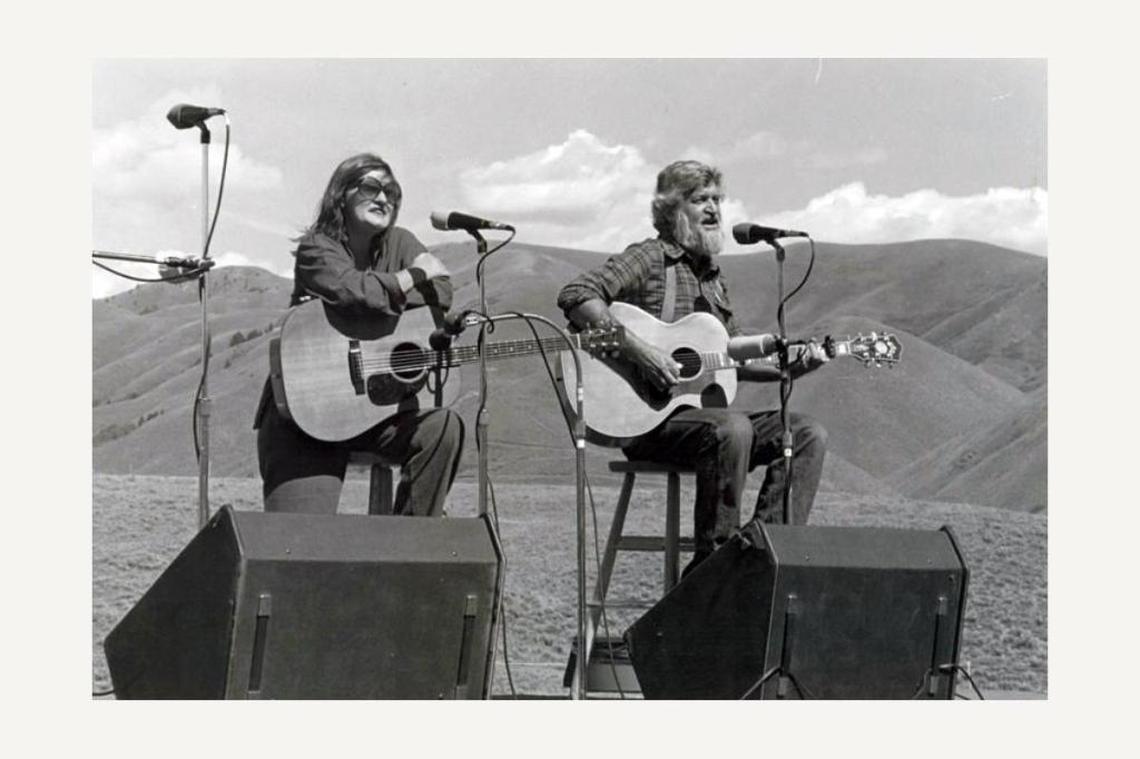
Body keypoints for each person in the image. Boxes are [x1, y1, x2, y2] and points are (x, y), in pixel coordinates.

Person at [557, 160, 829, 575]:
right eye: (700, 199)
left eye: (718, 199)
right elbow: (577, 295)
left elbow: (731, 360)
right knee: (731, 427)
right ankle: (713, 569)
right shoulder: (649, 258)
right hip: (648, 424)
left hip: (706, 428)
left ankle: (760, 557)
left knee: (806, 431)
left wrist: (793, 367)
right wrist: (642, 352)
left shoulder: (714, 279)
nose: (714, 209)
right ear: (671, 210)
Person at [254, 152, 464, 516]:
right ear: (342, 193)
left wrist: (367, 297)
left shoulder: (401, 242)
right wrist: (411, 277)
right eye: (371, 187)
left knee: (443, 426)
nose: (384, 199)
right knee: (296, 547)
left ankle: (408, 548)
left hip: (378, 412)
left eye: (392, 192)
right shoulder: (316, 247)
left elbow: (441, 293)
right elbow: (353, 291)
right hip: (307, 413)